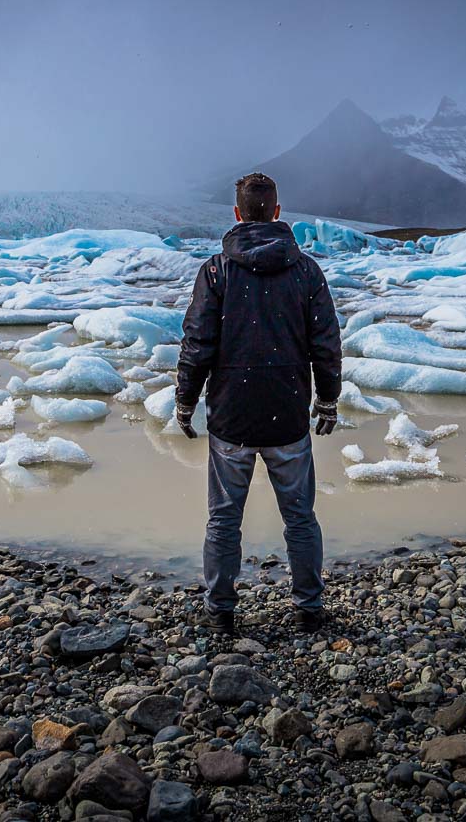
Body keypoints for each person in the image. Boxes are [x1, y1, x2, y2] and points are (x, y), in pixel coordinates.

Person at [174, 172, 341, 634]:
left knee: (224, 517)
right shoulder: (305, 270)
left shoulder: (216, 270)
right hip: (287, 414)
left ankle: (221, 611)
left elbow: (197, 342)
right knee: (301, 516)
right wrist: (327, 400)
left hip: (231, 417)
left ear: (236, 214)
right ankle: (309, 607)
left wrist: (185, 402)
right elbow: (325, 343)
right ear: (278, 212)